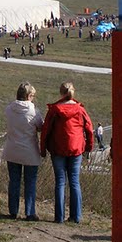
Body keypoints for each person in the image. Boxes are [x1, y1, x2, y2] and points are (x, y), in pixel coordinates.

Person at [40, 82, 94, 223]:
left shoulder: (55, 109)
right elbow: (89, 128)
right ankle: (76, 216)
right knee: (75, 182)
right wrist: (89, 146)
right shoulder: (80, 110)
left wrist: (43, 148)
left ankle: (59, 217)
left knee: (60, 182)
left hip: (58, 148)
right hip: (76, 148)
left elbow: (45, 130)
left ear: (61, 93)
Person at [1, 82, 43, 220]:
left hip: (12, 148)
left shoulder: (9, 109)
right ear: (29, 96)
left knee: (14, 181)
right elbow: (40, 127)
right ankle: (30, 212)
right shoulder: (34, 112)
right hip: (29, 150)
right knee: (30, 182)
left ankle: (13, 210)